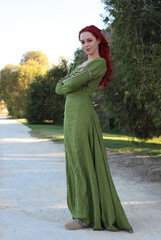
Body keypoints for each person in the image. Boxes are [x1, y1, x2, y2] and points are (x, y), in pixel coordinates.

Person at [55, 25, 133, 232]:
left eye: (89, 40)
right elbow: (59, 87)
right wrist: (67, 83)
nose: (85, 45)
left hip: (81, 115)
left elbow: (67, 86)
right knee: (74, 161)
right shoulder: (81, 65)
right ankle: (82, 211)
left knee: (82, 161)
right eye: (82, 42)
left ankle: (85, 217)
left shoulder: (98, 64)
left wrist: (68, 83)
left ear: (99, 40)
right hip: (69, 116)